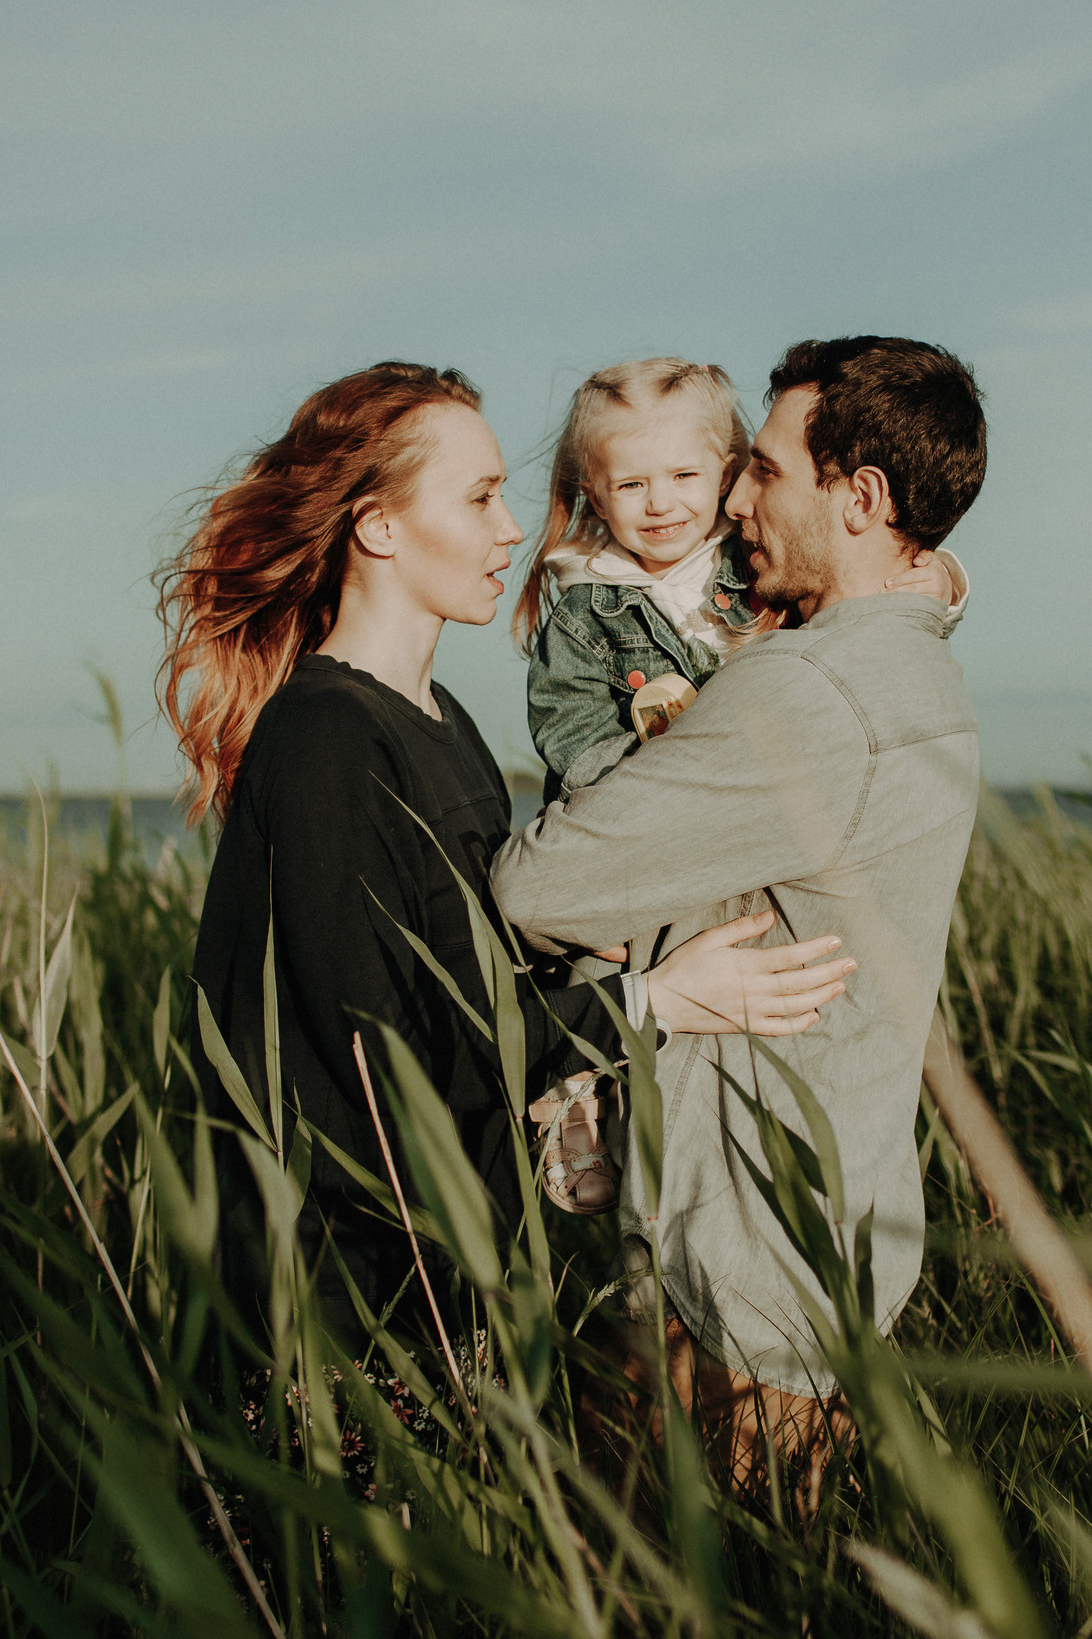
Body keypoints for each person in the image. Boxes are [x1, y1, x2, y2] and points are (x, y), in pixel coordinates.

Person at [158, 360, 857, 1344]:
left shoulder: (444, 725)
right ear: (380, 527)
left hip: (451, 1268)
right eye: (481, 496)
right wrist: (654, 1001)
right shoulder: (325, 739)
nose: (512, 528)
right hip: (336, 1300)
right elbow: (380, 1046)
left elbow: (475, 974)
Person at [489, 336, 988, 1481]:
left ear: (859, 499)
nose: (731, 499)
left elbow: (538, 888)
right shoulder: (905, 660)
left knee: (678, 1592)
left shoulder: (801, 685)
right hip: (823, 1225)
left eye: (759, 471)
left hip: (737, 1265)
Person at [513, 357, 964, 802]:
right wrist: (677, 772)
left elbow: (849, 598)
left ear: (723, 475)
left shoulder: (759, 562)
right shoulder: (583, 619)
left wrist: (940, 584)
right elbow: (576, 748)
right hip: (665, 813)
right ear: (596, 499)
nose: (660, 503)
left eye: (683, 475)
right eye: (631, 485)